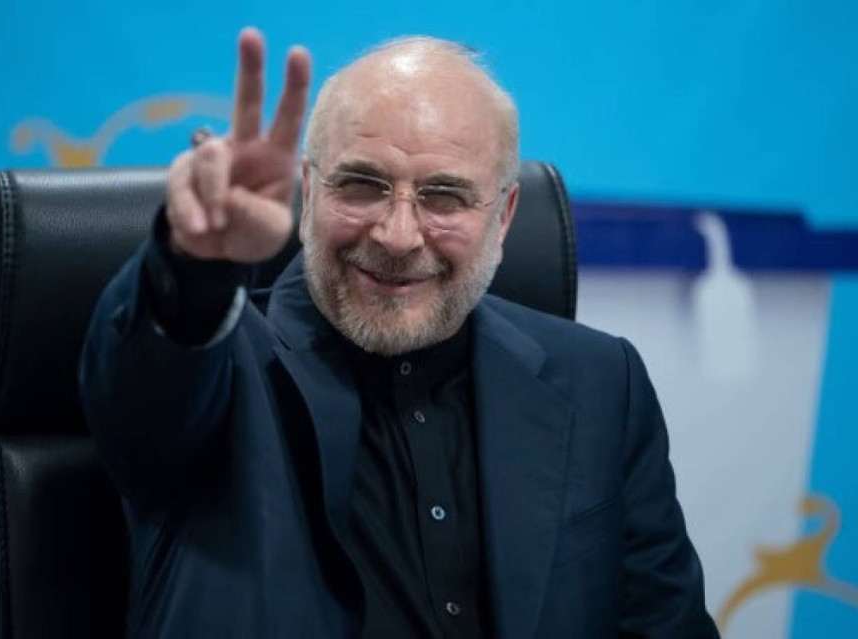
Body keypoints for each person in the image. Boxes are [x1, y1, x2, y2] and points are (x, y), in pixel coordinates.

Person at [79, 27, 719, 638]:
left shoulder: (600, 382)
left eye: (444, 197)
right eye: (363, 186)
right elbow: (145, 395)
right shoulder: (220, 370)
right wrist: (194, 267)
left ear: (503, 217)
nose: (398, 235)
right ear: (309, 189)